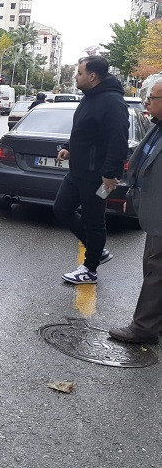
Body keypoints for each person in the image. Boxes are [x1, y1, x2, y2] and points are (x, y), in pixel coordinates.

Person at [54, 56, 129, 285]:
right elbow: (82, 131)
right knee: (61, 209)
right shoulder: (89, 98)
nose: (76, 77)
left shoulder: (112, 102)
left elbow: (118, 140)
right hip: (78, 172)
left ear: (92, 76)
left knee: (94, 220)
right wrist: (68, 148)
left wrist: (110, 174)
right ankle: (98, 250)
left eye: (79, 73)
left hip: (98, 176)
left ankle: (90, 269)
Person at [109, 81, 162, 344]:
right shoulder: (156, 127)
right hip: (152, 211)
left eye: (151, 98)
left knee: (156, 268)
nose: (146, 103)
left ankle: (143, 327)